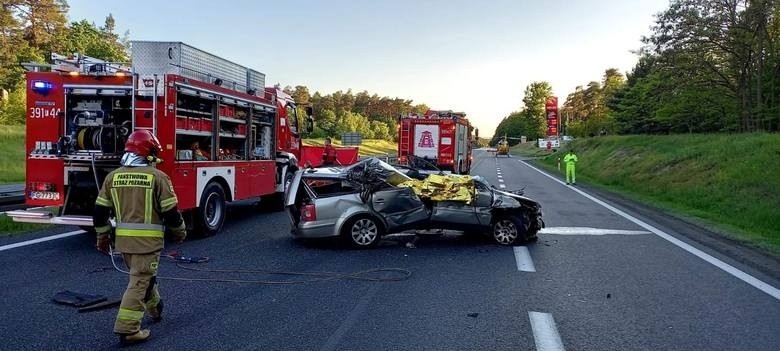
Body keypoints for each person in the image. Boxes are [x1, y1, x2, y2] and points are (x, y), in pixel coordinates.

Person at [93, 130, 187, 345]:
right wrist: (180, 231)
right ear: (150, 153)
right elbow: (171, 212)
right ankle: (128, 330)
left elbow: (99, 212)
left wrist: (102, 237)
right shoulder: (158, 177)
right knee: (139, 282)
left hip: (123, 243)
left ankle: (155, 309)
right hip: (148, 243)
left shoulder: (112, 176)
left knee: (143, 277)